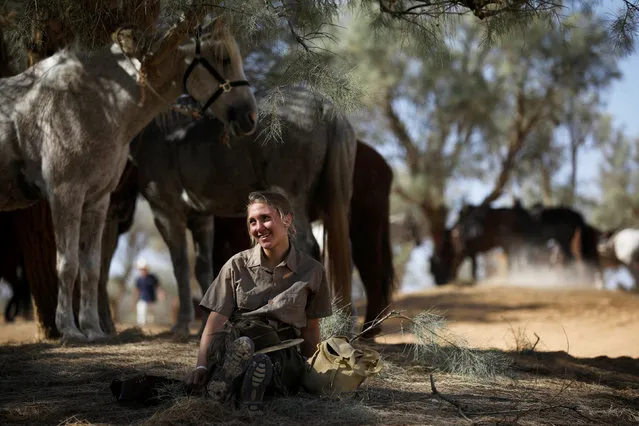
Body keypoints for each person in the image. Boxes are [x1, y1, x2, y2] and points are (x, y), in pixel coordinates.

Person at [183, 189, 332, 412]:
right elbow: (215, 322)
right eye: (252, 222)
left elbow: (310, 331)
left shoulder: (313, 271)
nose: (258, 227)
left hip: (283, 351)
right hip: (237, 342)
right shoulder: (236, 265)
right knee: (242, 346)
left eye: (265, 218)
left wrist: (313, 371)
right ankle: (243, 379)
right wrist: (201, 365)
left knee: (270, 362)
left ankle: (243, 381)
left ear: (287, 219)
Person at [132, 259, 163, 327]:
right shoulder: (138, 279)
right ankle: (141, 329)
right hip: (142, 299)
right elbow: (137, 291)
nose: (142, 270)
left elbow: (158, 287)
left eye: (143, 269)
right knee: (141, 314)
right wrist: (134, 301)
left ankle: (151, 331)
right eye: (141, 269)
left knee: (151, 317)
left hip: (151, 300)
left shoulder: (152, 277)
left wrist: (161, 294)